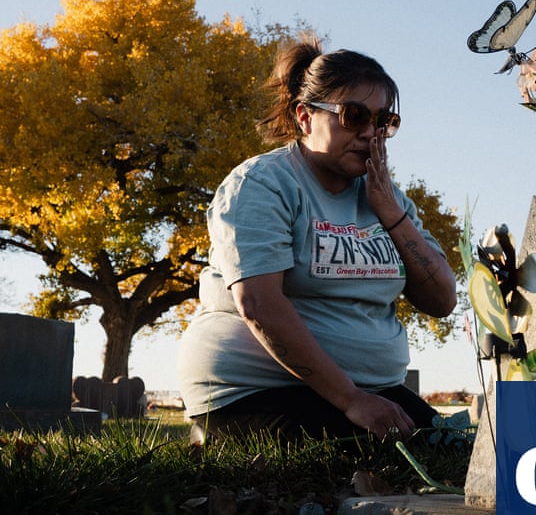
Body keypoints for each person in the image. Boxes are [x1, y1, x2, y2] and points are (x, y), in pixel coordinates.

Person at [176, 36, 457, 442]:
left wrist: (390, 212)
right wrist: (350, 399)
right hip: (256, 392)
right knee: (395, 455)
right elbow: (259, 303)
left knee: (455, 449)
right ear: (305, 116)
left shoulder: (387, 199)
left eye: (383, 122)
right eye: (354, 116)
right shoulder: (262, 184)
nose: (369, 133)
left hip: (370, 391)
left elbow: (442, 300)